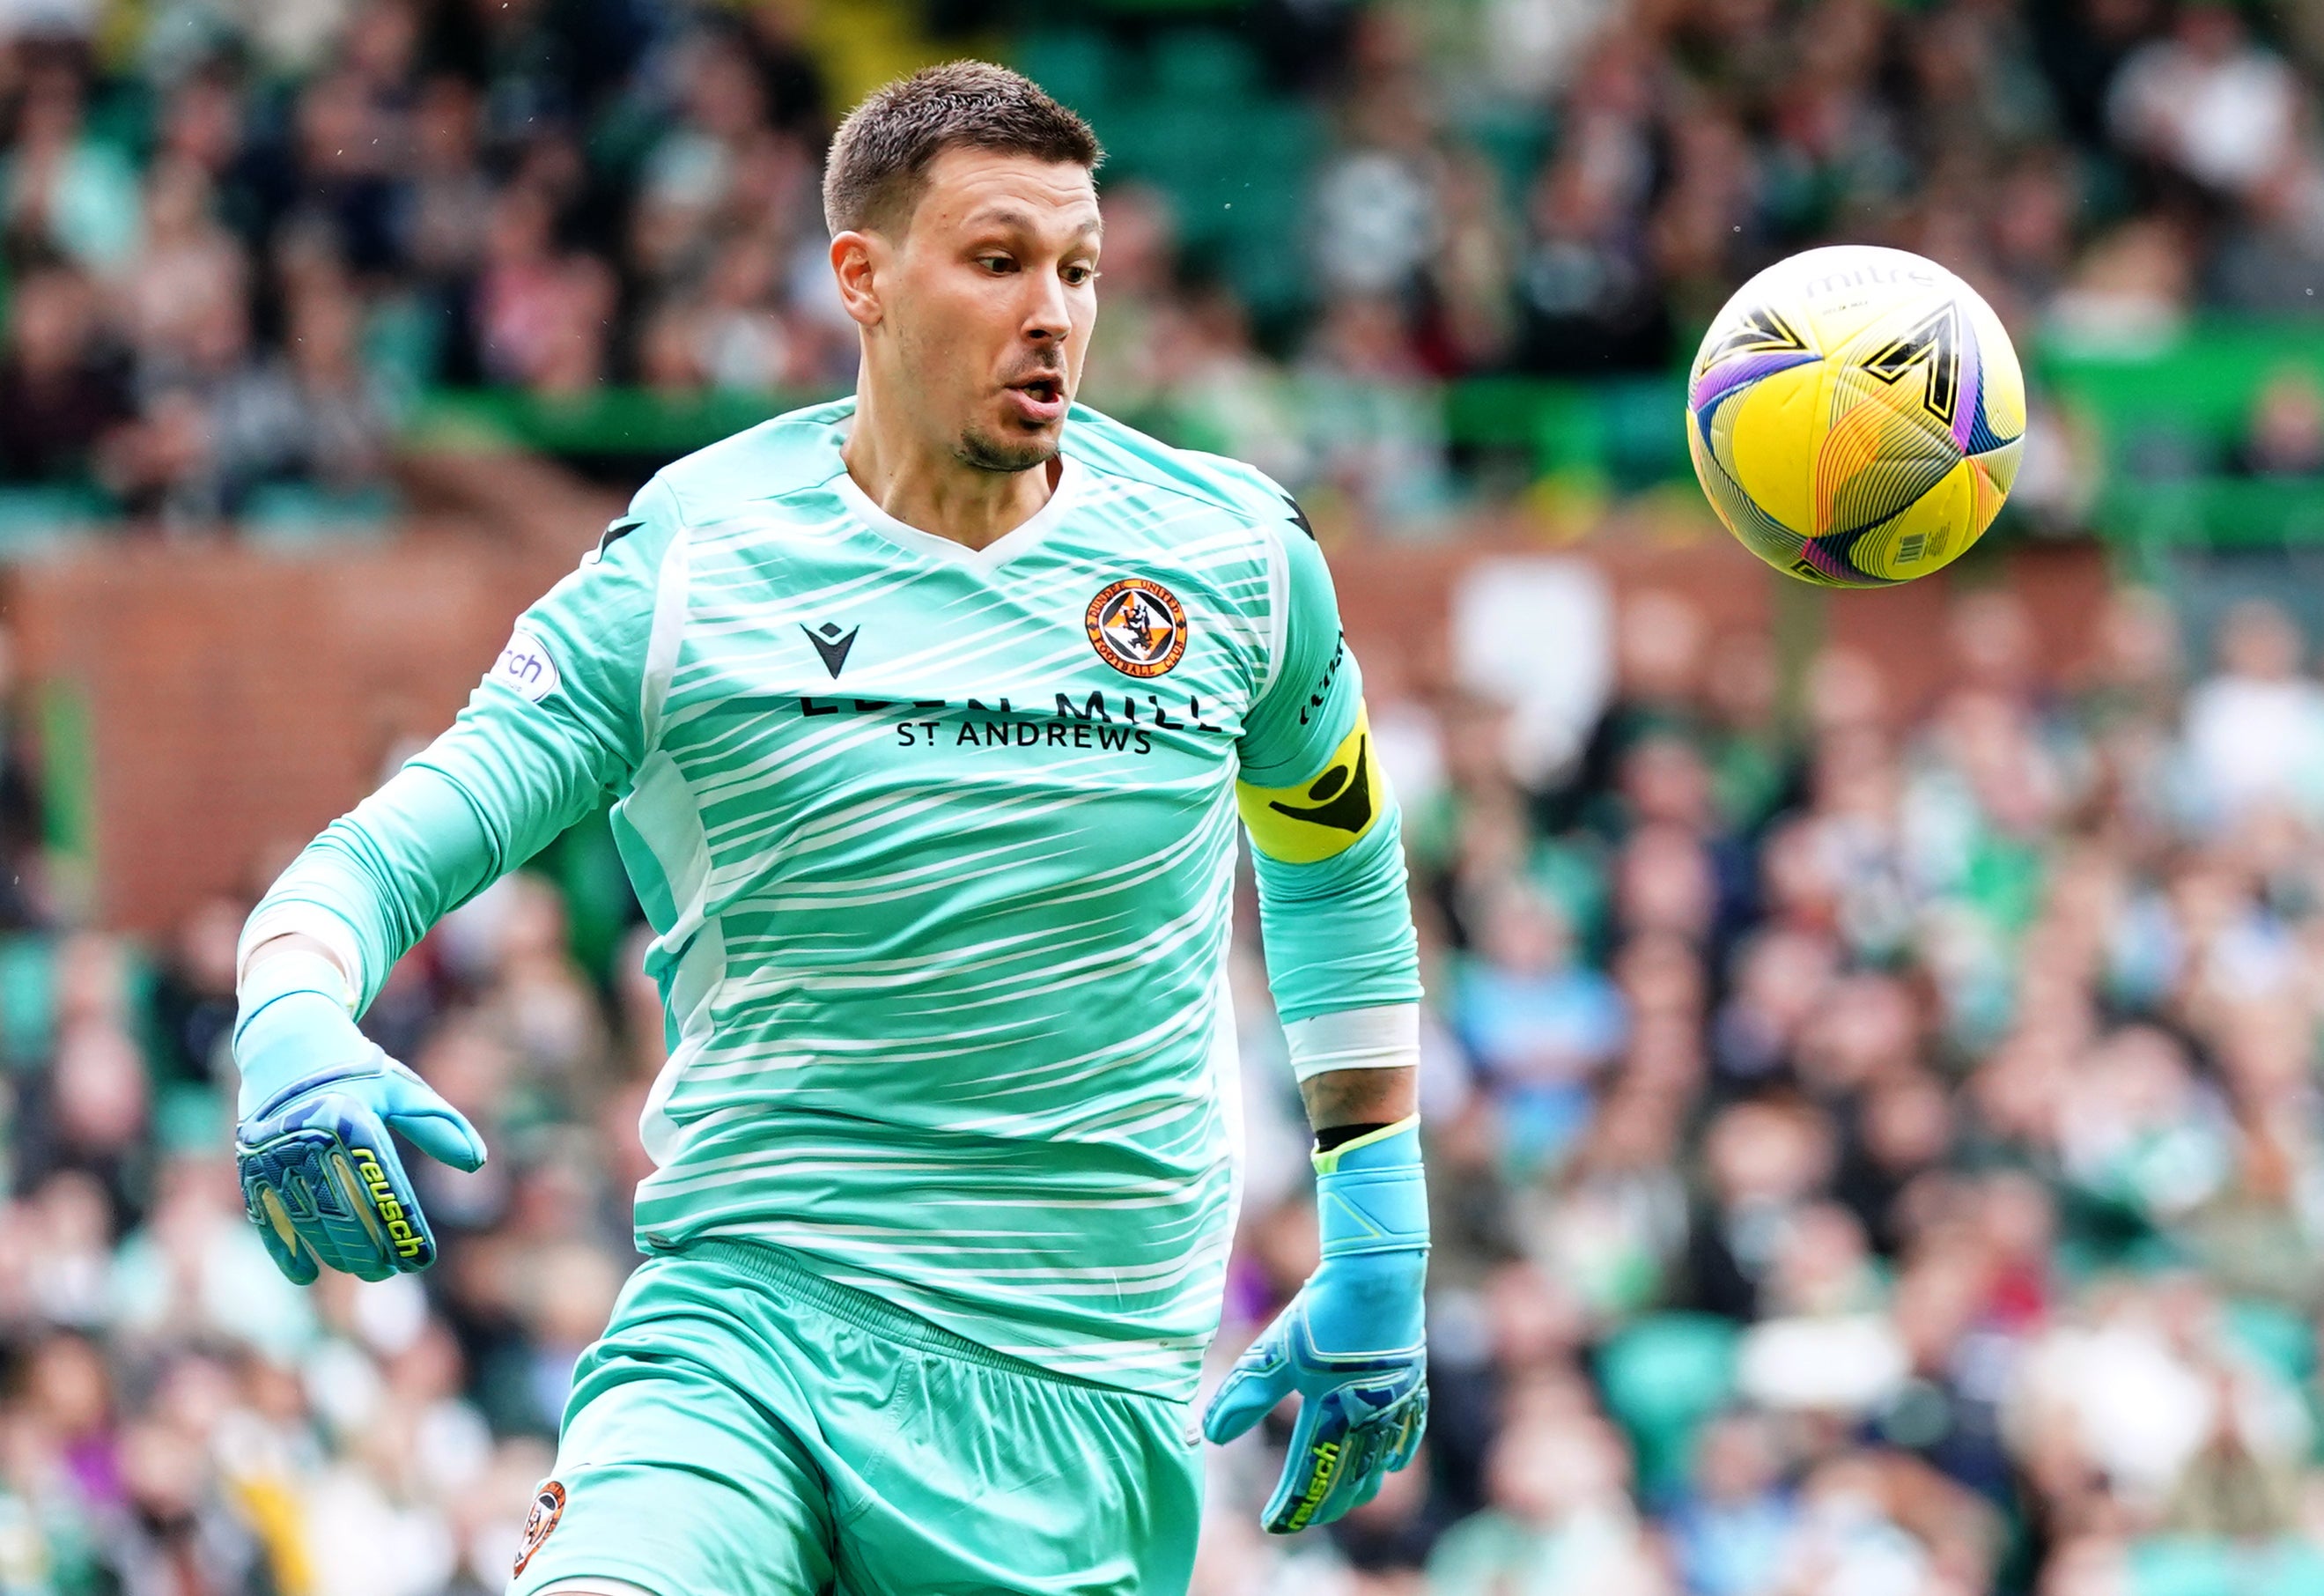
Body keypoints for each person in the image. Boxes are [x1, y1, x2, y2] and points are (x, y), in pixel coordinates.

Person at [225, 63, 1429, 1596]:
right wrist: (289, 1003)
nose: (1051, 314)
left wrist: (1379, 1230)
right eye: (997, 261)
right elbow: (398, 845)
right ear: (860, 276)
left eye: (1077, 271)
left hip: (1079, 1401)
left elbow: (1335, 867)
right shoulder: (694, 563)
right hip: (749, 1341)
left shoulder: (1236, 558)